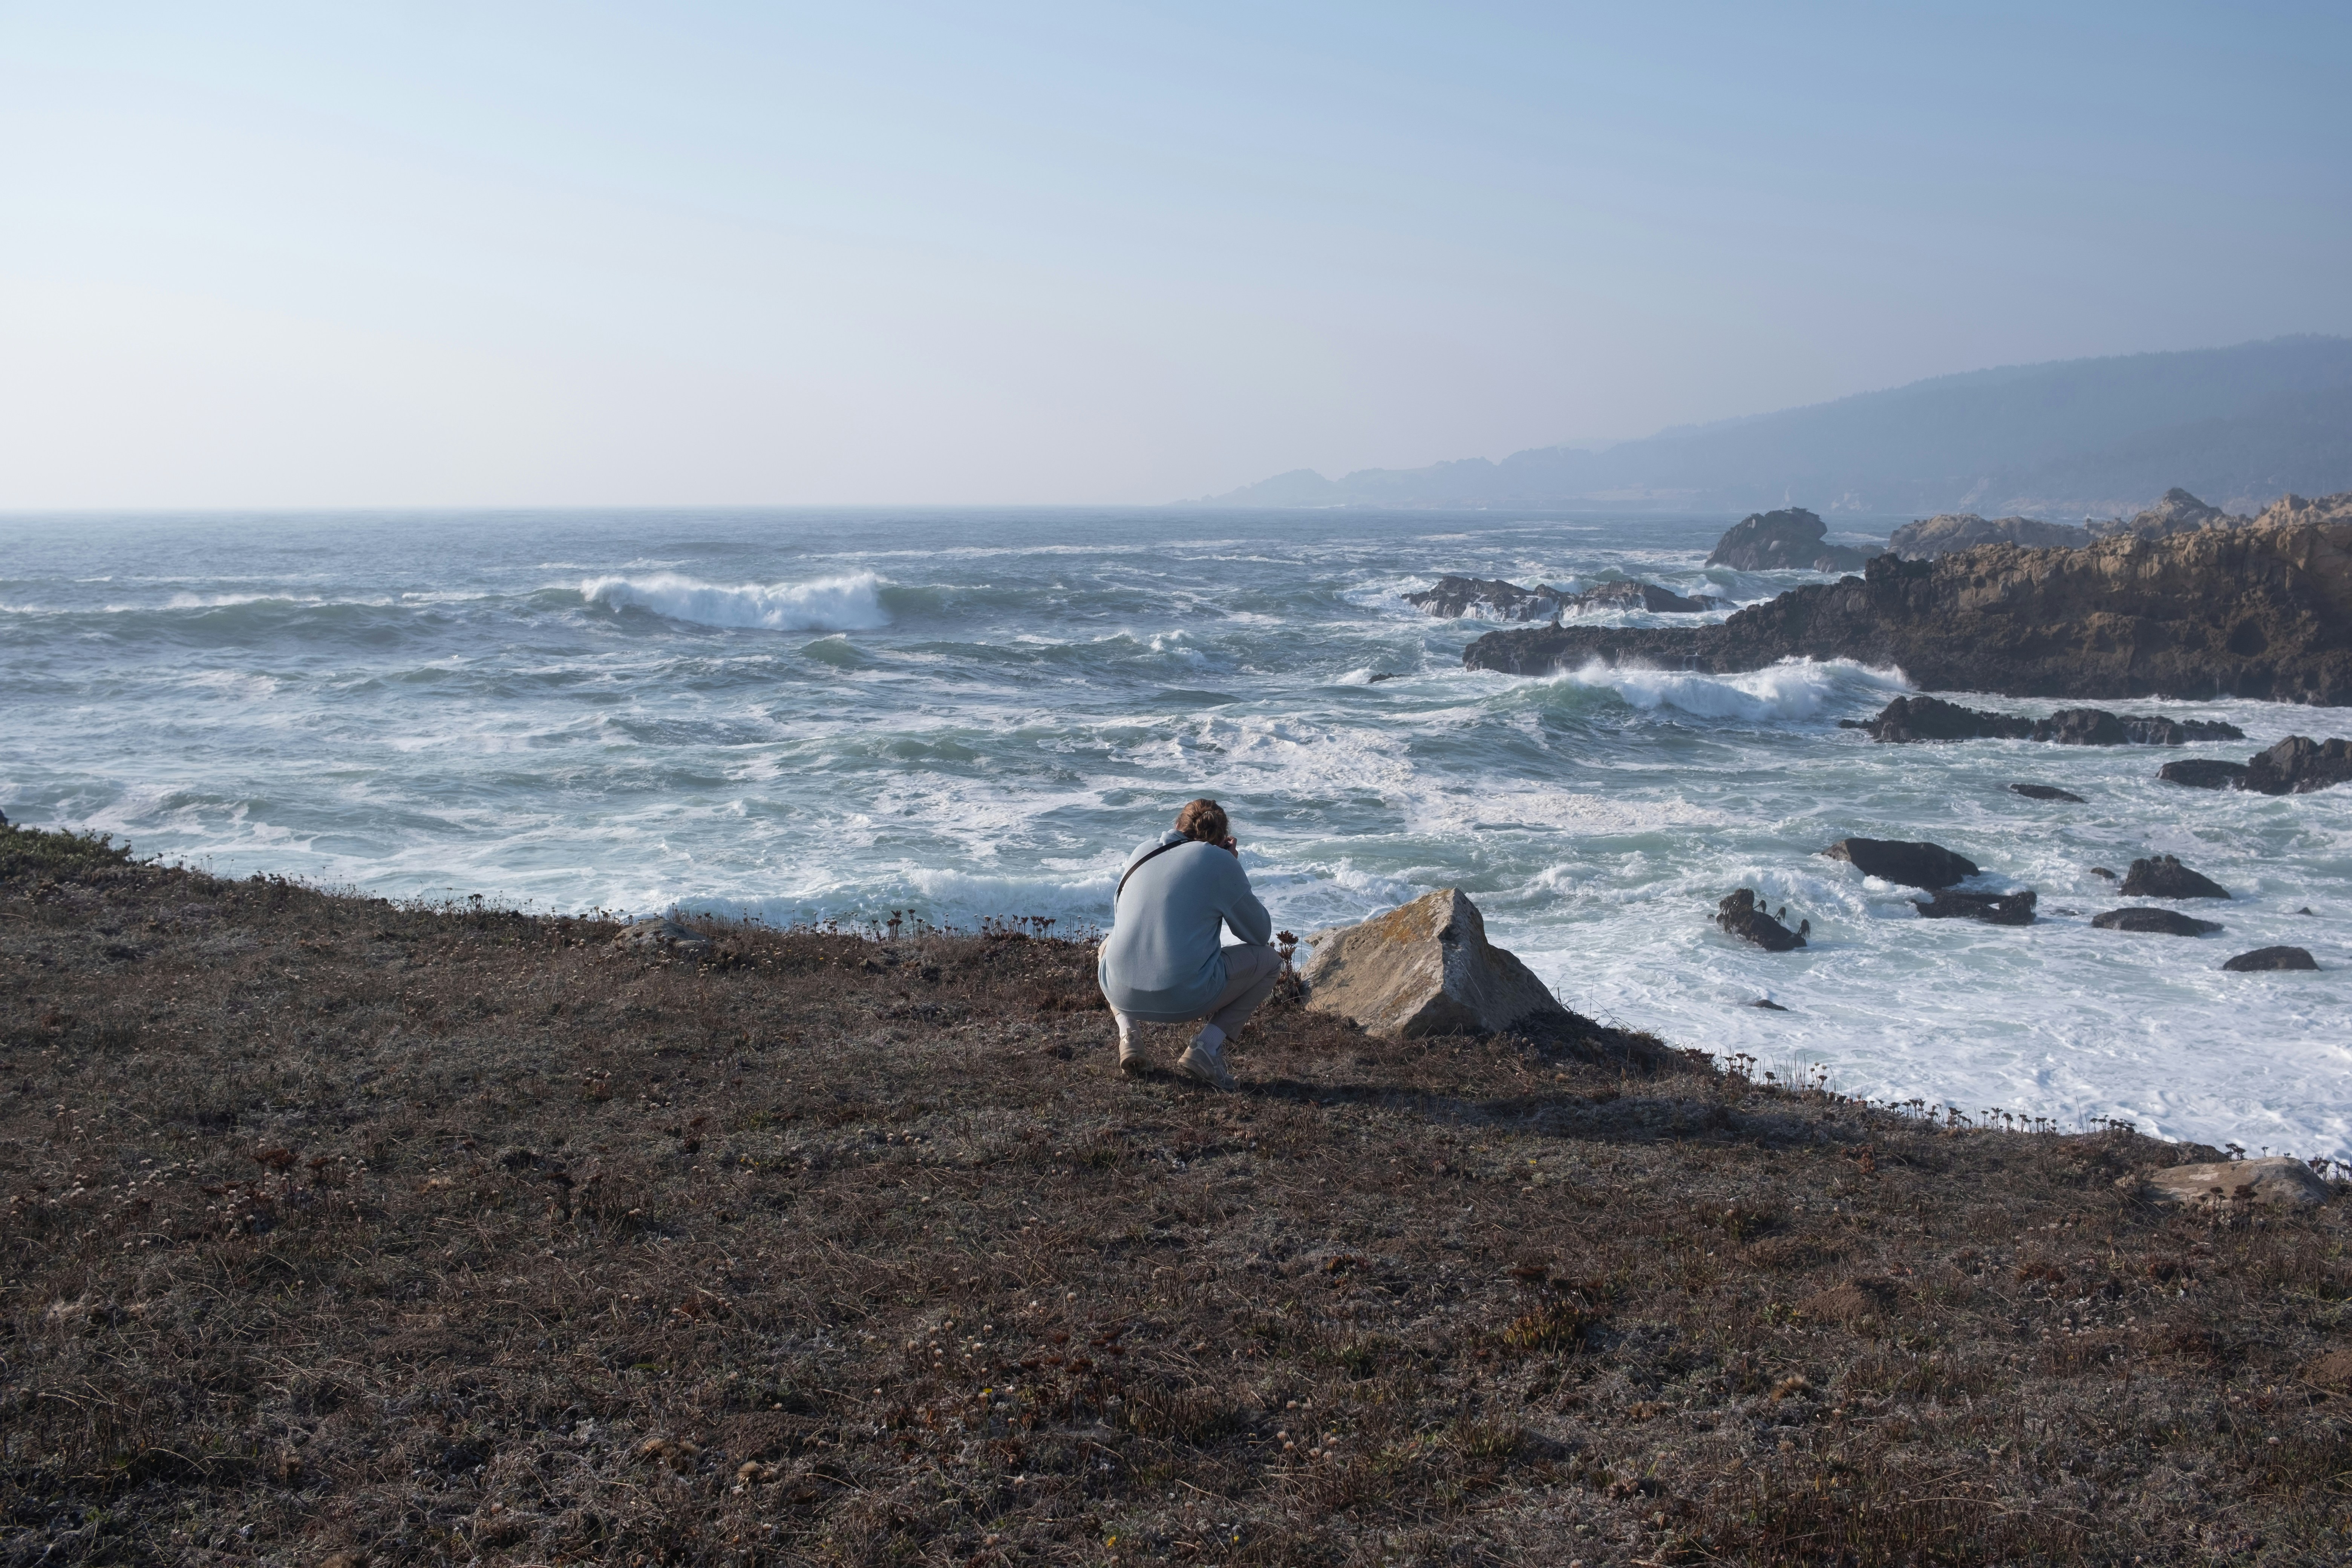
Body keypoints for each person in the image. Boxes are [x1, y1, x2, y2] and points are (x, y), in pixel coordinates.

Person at [1096, 798, 1280, 1091]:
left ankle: (1129, 1036)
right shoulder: (1219, 862)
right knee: (1271, 962)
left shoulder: (1142, 851)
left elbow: (1121, 915)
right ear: (1221, 839)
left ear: (1176, 825)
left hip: (1120, 992)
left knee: (1107, 946)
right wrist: (1231, 867)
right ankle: (1206, 1049)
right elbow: (1260, 934)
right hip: (1185, 998)